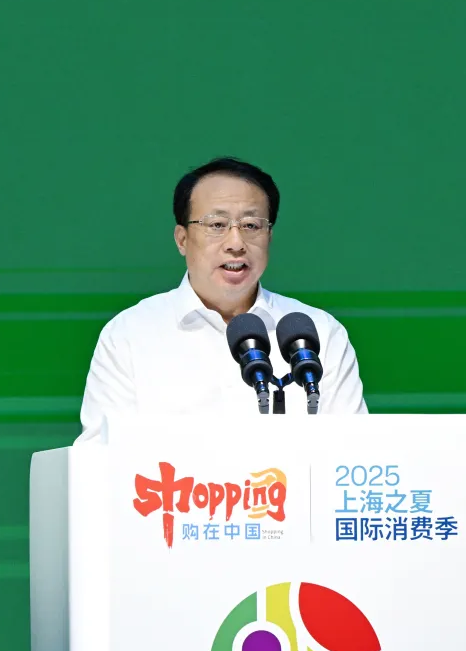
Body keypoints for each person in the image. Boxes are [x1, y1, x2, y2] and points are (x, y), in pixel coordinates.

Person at [74, 157, 367, 444]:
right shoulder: (129, 334)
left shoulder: (319, 332)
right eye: (216, 224)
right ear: (182, 239)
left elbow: (356, 452)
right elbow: (97, 460)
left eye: (251, 225)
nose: (236, 243)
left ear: (269, 236)